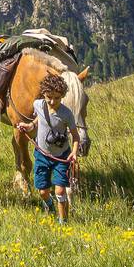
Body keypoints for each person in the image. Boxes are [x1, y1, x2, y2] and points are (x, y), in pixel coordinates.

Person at [15, 71, 80, 223]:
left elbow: (75, 136)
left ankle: (64, 222)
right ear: (43, 94)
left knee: (60, 190)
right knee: (43, 191)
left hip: (62, 157)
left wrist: (74, 152)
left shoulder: (66, 114)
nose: (52, 101)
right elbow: (38, 119)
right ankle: (49, 205)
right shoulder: (38, 105)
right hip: (42, 155)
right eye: (49, 97)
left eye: (57, 98)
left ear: (62, 96)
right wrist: (29, 125)